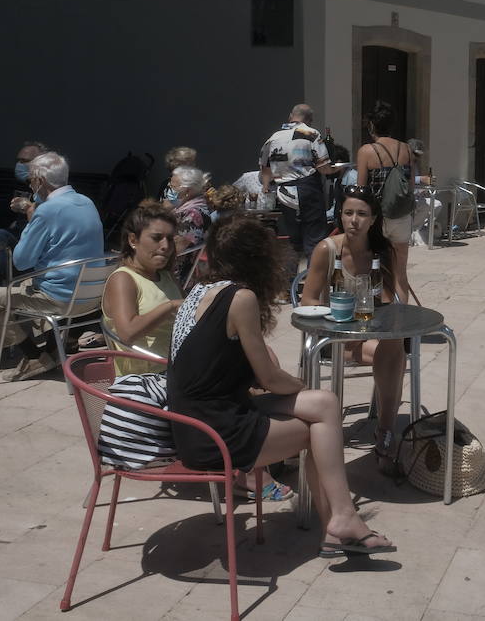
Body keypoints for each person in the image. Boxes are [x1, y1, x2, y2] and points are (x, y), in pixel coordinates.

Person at [167, 215, 395, 556]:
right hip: (213, 433)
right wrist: (298, 384)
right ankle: (341, 521)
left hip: (196, 420)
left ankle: (339, 523)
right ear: (258, 259)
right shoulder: (240, 298)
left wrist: (299, 390)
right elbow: (270, 379)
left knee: (325, 403)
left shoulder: (199, 291)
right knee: (319, 430)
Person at [0, 151, 105, 381]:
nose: (30, 184)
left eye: (31, 179)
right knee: (33, 282)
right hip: (90, 294)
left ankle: (33, 356)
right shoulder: (86, 202)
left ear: (40, 181)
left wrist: (30, 221)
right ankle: (51, 352)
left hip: (60, 298)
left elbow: (21, 261)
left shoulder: (46, 211)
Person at [300, 186, 408, 474]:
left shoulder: (382, 251)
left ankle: (385, 430)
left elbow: (393, 298)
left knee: (395, 344)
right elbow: (308, 299)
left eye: (361, 214)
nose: (354, 220)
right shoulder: (327, 250)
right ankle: (385, 434)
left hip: (369, 334)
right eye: (348, 213)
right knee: (395, 354)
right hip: (335, 336)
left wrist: (393, 307)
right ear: (340, 215)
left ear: (373, 219)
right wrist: (337, 317)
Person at [101, 201, 182, 373]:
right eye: (156, 238)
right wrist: (170, 306)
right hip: (146, 377)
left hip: (176, 368)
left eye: (170, 239)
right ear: (133, 240)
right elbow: (127, 333)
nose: (166, 246)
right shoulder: (124, 279)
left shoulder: (166, 276)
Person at [355, 101, 418, 306]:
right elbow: (410, 185)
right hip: (401, 216)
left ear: (372, 125)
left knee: (374, 270)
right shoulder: (406, 149)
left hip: (377, 218)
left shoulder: (366, 151)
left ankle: (380, 314)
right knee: (400, 273)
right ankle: (401, 316)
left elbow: (361, 190)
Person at [263, 104, 334, 260]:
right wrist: (336, 170)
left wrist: (266, 187)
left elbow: (265, 169)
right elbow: (324, 168)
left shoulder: (273, 138)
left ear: (290, 116)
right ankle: (313, 272)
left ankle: (293, 273)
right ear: (309, 119)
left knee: (294, 241)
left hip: (284, 193)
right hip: (307, 188)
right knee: (315, 239)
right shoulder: (311, 133)